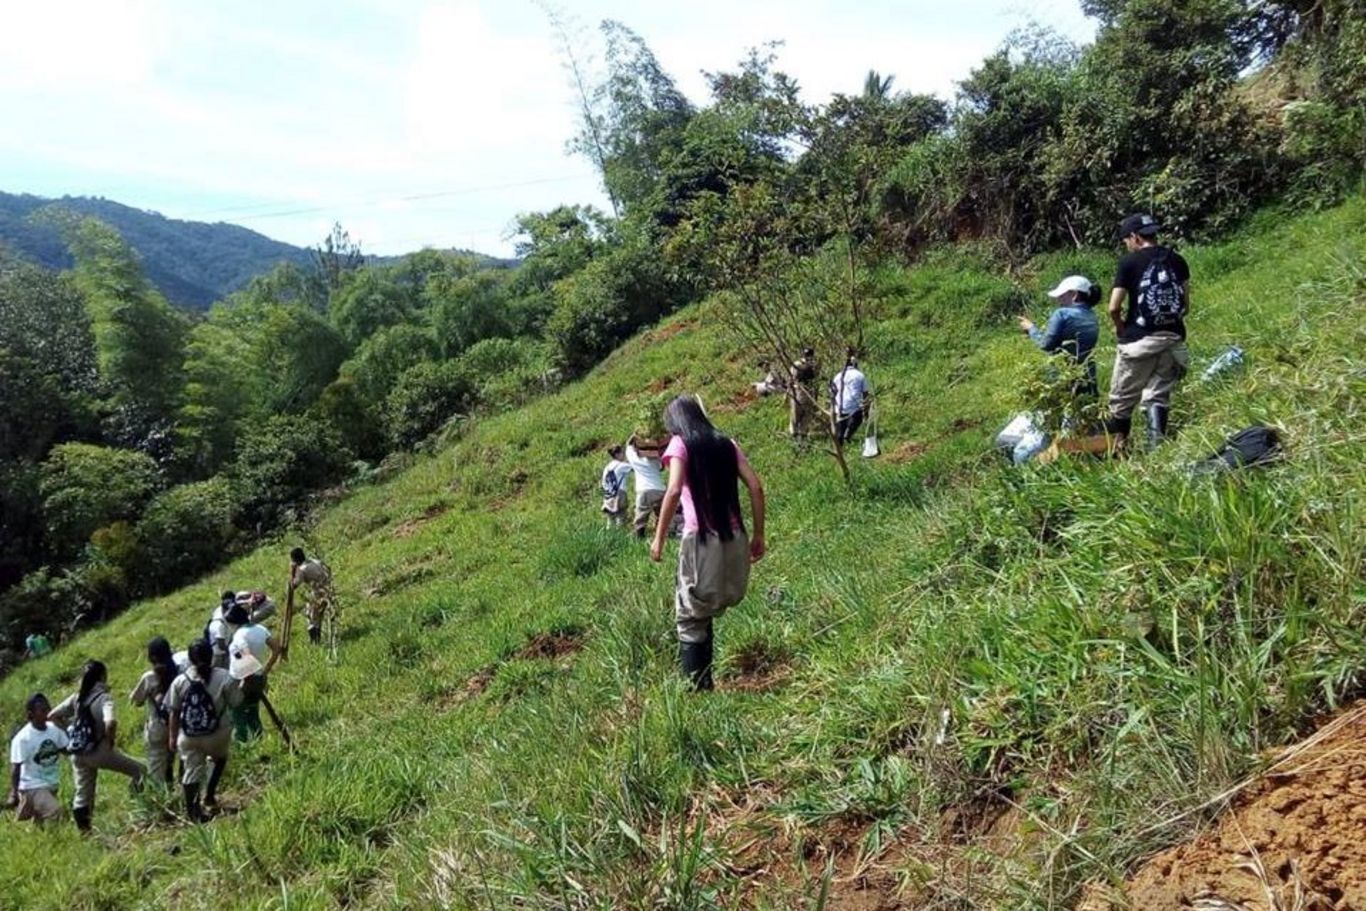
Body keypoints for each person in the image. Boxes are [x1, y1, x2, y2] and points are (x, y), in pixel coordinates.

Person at [650, 396, 766, 691]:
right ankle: (706, 683)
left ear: (676, 422)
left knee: (689, 614)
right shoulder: (726, 443)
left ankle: (696, 689)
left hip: (701, 541)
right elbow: (755, 486)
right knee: (703, 609)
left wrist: (659, 539)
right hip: (734, 537)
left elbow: (674, 489)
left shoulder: (680, 444)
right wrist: (758, 535)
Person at [1107, 213, 1191, 449]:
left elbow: (1113, 307)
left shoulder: (1129, 263)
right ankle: (1156, 450)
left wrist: (1122, 329)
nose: (1127, 245)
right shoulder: (1178, 260)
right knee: (1157, 395)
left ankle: (1119, 451)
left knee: (1121, 401)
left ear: (1134, 237)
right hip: (1172, 339)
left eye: (1126, 241)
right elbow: (1185, 306)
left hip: (1138, 343)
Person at [49, 660, 146, 833]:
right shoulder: (103, 698)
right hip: (99, 751)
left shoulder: (77, 698)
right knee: (141, 770)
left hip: (77, 752)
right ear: (102, 676)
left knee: (83, 793)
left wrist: (70, 732)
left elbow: (52, 715)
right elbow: (111, 722)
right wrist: (109, 741)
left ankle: (85, 833)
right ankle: (138, 801)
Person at [167, 640, 240, 822]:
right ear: (211, 655)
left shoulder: (180, 681)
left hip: (189, 736)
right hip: (217, 735)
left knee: (191, 770)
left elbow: (174, 712)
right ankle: (209, 795)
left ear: (190, 659)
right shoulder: (225, 677)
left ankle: (193, 812)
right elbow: (236, 702)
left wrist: (172, 737)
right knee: (220, 759)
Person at [1018, 274, 1102, 398]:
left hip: (1063, 375)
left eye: (1062, 296)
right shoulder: (1092, 316)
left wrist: (1031, 329)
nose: (1059, 300)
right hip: (1088, 375)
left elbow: (1045, 344)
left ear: (1074, 295)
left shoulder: (1062, 314)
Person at [7, 693, 69, 825]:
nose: (47, 712)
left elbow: (66, 749)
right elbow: (16, 767)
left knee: (39, 823)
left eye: (48, 708)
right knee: (55, 812)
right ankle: (57, 841)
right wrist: (14, 793)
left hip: (51, 783)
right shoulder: (23, 738)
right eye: (42, 710)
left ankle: (32, 841)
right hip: (32, 786)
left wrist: (64, 726)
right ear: (31, 714)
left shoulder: (54, 729)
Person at [227, 603, 282, 742]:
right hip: (258, 677)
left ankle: (242, 742)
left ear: (234, 622)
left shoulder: (239, 636)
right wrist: (265, 670)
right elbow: (276, 648)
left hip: (243, 680)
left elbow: (243, 653)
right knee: (253, 711)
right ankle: (259, 740)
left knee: (237, 713)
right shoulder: (260, 629)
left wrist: (245, 680)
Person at [129, 636, 179, 787]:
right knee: (170, 762)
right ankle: (172, 789)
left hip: (156, 728)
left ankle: (160, 802)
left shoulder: (149, 677)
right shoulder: (179, 671)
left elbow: (135, 700)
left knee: (156, 770)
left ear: (152, 657)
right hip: (176, 725)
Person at [625, 434, 672, 540]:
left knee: (641, 514)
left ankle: (639, 535)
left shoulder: (634, 458)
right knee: (661, 514)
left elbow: (628, 445)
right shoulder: (656, 460)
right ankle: (663, 534)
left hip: (644, 490)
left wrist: (635, 434)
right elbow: (661, 467)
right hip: (659, 489)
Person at [286, 547, 334, 649]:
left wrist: (292, 571)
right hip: (328, 589)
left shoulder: (302, 569)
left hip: (317, 593)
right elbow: (328, 569)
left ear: (295, 560)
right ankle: (318, 640)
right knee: (319, 617)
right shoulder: (315, 561)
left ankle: (315, 643)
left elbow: (294, 585)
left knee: (312, 618)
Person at [830, 351, 871, 445]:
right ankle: (848, 435)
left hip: (839, 406)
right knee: (858, 415)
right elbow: (865, 393)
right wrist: (866, 410)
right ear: (855, 364)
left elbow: (833, 391)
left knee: (841, 423)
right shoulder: (860, 375)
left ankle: (840, 440)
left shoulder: (838, 375)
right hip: (853, 406)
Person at [788, 347, 818, 438]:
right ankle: (800, 434)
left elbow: (790, 380)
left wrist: (788, 393)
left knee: (796, 415)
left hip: (799, 391)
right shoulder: (813, 365)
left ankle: (796, 434)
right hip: (807, 391)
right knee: (805, 415)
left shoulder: (797, 364)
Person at [600, 445, 633, 528]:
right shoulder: (621, 465)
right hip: (620, 494)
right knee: (621, 517)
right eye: (622, 452)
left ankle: (609, 536)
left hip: (608, 495)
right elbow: (636, 468)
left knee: (610, 519)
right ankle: (620, 536)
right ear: (617, 454)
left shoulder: (607, 467)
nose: (624, 455)